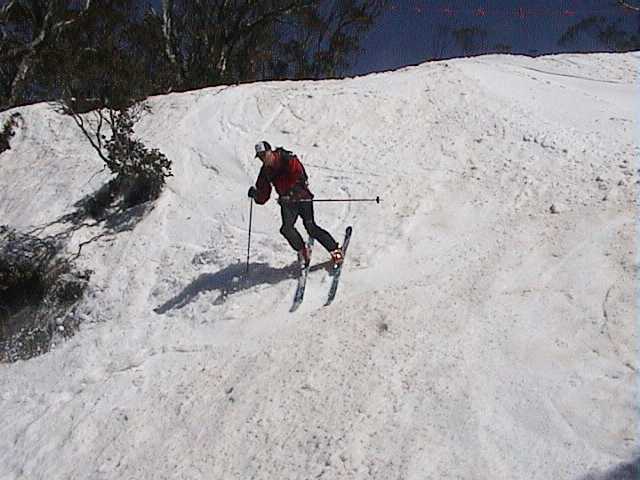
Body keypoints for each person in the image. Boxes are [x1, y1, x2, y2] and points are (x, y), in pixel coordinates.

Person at [248, 141, 343, 266]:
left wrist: (290, 193)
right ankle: (302, 250)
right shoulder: (265, 172)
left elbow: (298, 174)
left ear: (271, 151)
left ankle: (335, 250)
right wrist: (256, 195)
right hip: (287, 203)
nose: (263, 159)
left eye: (264, 155)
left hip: (302, 197)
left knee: (311, 227)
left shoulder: (286, 158)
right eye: (260, 157)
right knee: (286, 229)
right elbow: (264, 195)